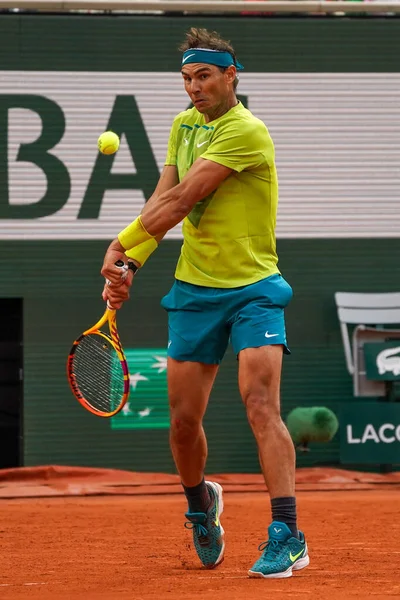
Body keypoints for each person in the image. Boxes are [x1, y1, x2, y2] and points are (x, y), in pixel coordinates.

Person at [101, 27, 309, 579]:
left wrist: (121, 244)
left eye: (205, 76)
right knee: (182, 424)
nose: (194, 87)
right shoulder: (182, 125)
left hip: (254, 289)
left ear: (231, 76)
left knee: (260, 403)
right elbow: (163, 197)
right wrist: (133, 262)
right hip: (194, 289)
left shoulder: (247, 131)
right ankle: (201, 506)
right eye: (187, 78)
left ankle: (287, 532)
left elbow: (185, 197)